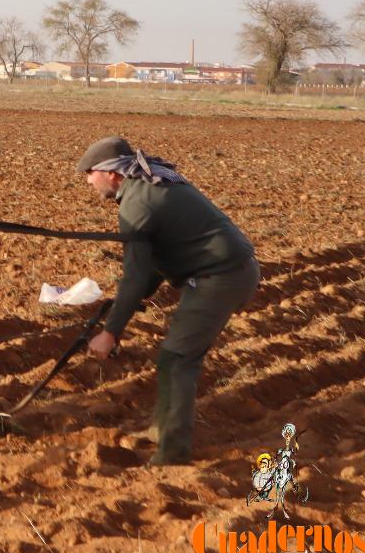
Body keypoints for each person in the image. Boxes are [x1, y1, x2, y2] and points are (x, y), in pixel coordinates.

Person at [78, 135, 259, 466]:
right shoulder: (146, 187)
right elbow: (152, 267)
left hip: (221, 277)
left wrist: (111, 332)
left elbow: (135, 276)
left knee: (177, 360)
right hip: (226, 271)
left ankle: (171, 454)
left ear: (112, 174)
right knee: (173, 358)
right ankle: (162, 432)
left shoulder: (138, 202)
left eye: (90, 172)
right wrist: (121, 308)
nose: (88, 180)